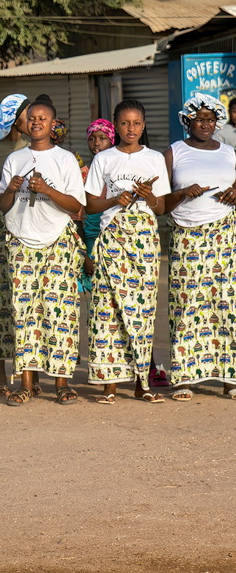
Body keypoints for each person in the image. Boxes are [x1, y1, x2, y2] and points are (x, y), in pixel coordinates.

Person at [0, 95, 87, 406]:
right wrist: (10, 189)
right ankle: (26, 383)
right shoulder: (14, 160)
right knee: (25, 314)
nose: (36, 122)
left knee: (58, 313)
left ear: (52, 124)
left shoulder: (64, 160)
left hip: (57, 241)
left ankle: (61, 383)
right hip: (21, 241)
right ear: (24, 123)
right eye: (31, 118)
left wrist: (47, 189)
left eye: (42, 119)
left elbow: (77, 205)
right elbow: (2, 206)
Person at [85, 99, 171, 403]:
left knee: (142, 313)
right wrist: (114, 201)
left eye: (136, 123)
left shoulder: (155, 159)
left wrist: (148, 198)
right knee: (107, 311)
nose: (130, 129)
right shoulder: (103, 159)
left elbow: (161, 208)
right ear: (116, 125)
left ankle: (141, 384)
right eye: (124, 123)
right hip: (112, 240)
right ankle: (109, 385)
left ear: (144, 125)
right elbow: (90, 205)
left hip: (145, 242)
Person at [163, 93, 236, 401]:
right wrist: (183, 192)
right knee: (186, 302)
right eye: (199, 119)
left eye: (210, 119)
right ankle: (183, 377)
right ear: (187, 120)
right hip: (186, 235)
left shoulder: (230, 153)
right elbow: (160, 202)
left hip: (223, 234)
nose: (205, 124)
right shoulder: (174, 152)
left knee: (225, 303)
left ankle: (229, 376)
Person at [0, 93, 31, 397]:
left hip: (30, 228)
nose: (34, 120)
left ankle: (32, 375)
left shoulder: (37, 148)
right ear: (14, 118)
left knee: (28, 300)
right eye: (29, 115)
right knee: (1, 301)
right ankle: (1, 376)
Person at [79, 118, 116, 293]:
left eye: (102, 138)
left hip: (115, 236)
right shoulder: (83, 173)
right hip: (91, 238)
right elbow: (77, 215)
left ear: (112, 140)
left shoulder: (118, 171)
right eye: (92, 139)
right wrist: (86, 253)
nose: (97, 143)